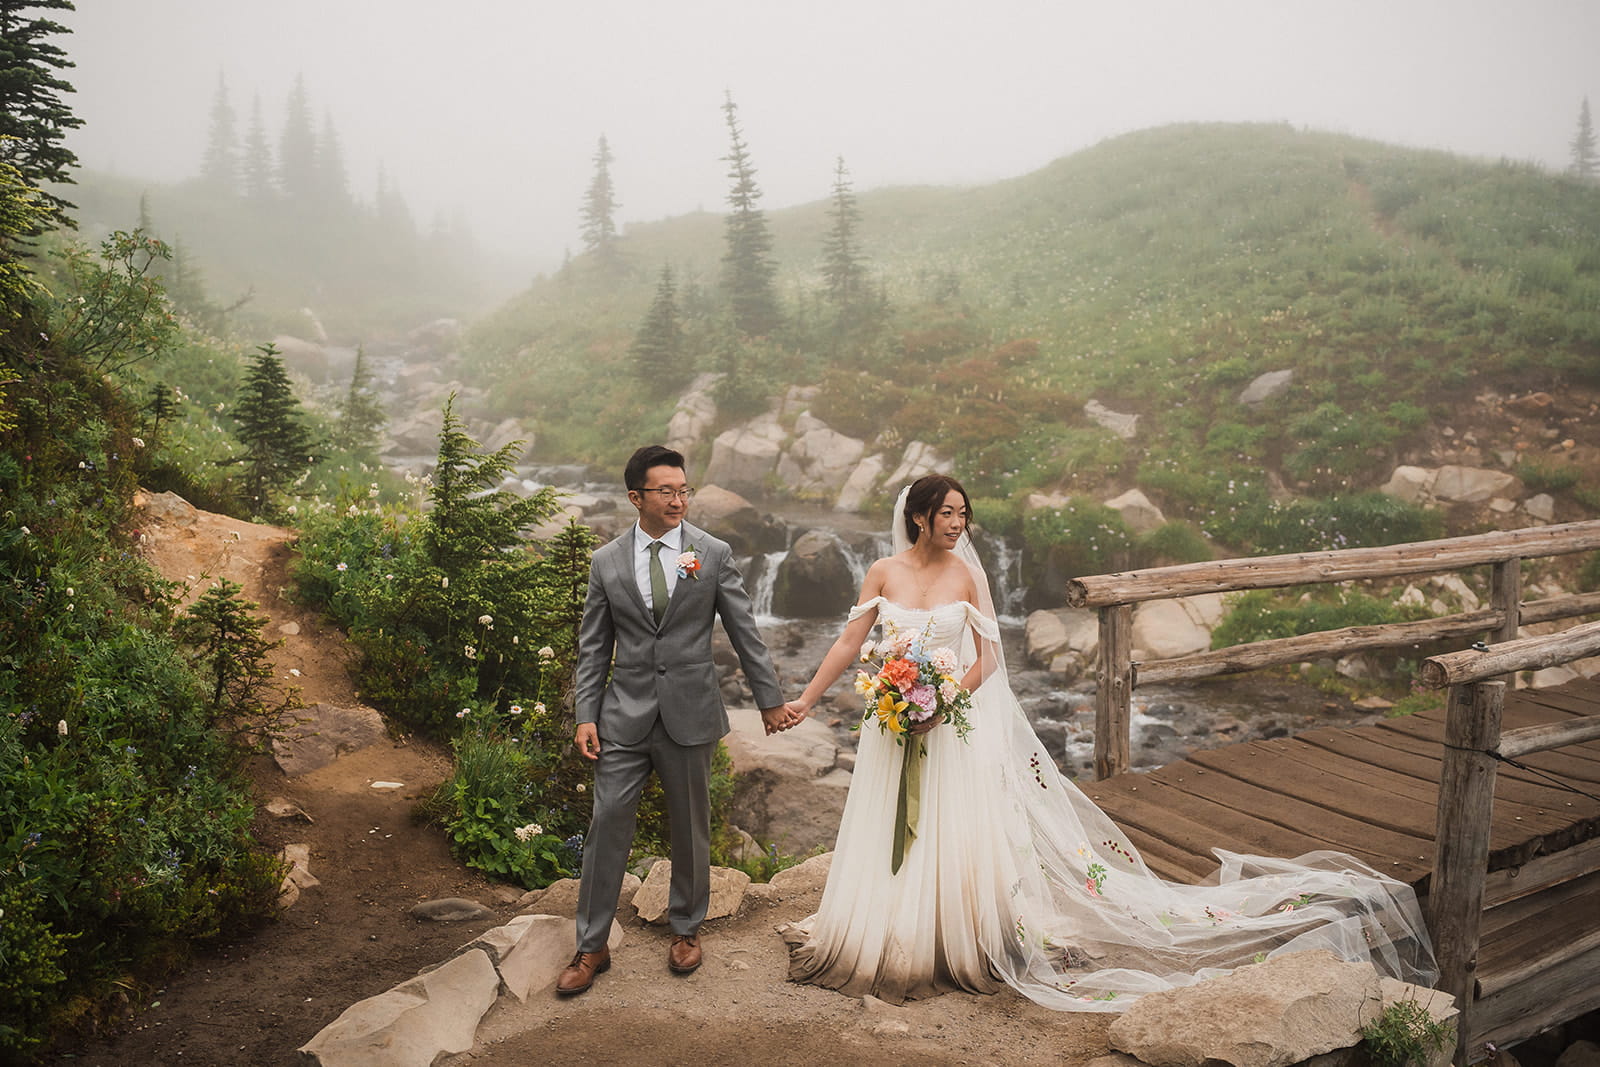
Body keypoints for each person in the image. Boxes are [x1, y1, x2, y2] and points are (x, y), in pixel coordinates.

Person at [779, 474, 1436, 1009]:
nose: (959, 524)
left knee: (951, 829)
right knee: (888, 827)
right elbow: (848, 641)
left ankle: (949, 941)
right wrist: (807, 700)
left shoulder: (967, 576)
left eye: (964, 514)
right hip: (891, 722)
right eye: (948, 513)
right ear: (919, 516)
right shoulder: (882, 572)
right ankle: (882, 931)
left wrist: (942, 699)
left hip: (949, 724)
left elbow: (987, 659)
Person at [558, 445, 800, 996]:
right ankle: (592, 945)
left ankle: (687, 929)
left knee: (690, 829)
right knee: (606, 825)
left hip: (691, 711)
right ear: (636, 498)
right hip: (623, 715)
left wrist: (769, 700)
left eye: (684, 489)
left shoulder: (711, 553)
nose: (678, 500)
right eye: (665, 491)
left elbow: (745, 631)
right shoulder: (607, 561)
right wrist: (585, 713)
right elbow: (594, 648)